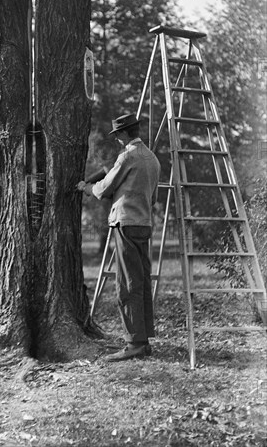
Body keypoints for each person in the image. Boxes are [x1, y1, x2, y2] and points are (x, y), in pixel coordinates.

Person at [77, 113, 161, 361]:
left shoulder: (128, 156)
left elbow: (104, 189)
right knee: (141, 280)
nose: (117, 140)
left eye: (117, 136)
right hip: (144, 223)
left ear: (124, 134)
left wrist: (86, 187)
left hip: (125, 223)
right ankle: (143, 340)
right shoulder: (152, 159)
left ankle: (134, 343)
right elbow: (153, 197)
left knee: (127, 283)